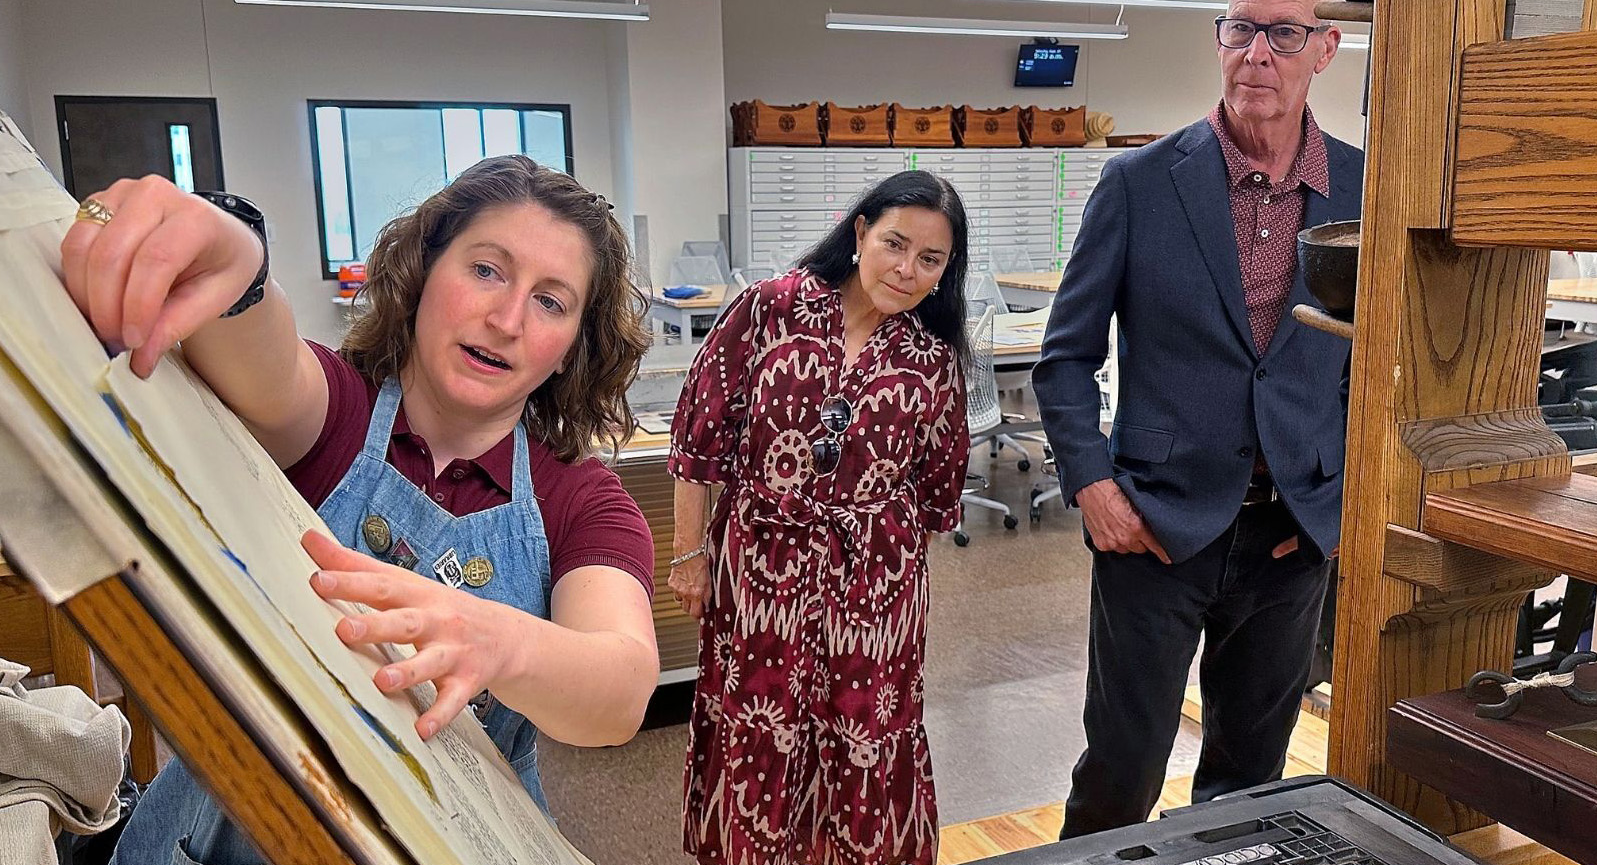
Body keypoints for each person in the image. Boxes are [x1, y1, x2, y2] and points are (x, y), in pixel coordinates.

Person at [59, 155, 660, 864]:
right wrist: (237, 256)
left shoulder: (580, 500)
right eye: (486, 270)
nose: (505, 319)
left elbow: (618, 690)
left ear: (569, 351)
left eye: (551, 301)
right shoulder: (333, 412)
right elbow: (262, 353)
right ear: (422, 274)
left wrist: (498, 642)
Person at [1031, 0, 1366, 837]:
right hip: (1154, 530)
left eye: (1282, 33)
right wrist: (1091, 486)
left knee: (1249, 782)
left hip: (1289, 537)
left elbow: (1376, 365)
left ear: (1325, 47)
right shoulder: (1141, 183)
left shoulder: (1366, 187)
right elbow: (1064, 357)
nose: (1255, 53)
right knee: (1119, 771)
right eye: (1239, 29)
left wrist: (1334, 505)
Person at [665, 170, 972, 865]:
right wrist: (689, 557)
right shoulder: (769, 310)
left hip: (875, 593)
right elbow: (697, 441)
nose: (906, 269)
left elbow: (932, 493)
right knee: (759, 724)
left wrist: (887, 592)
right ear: (860, 231)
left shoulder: (930, 358)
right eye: (895, 244)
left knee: (864, 737)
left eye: (930, 259)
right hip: (760, 572)